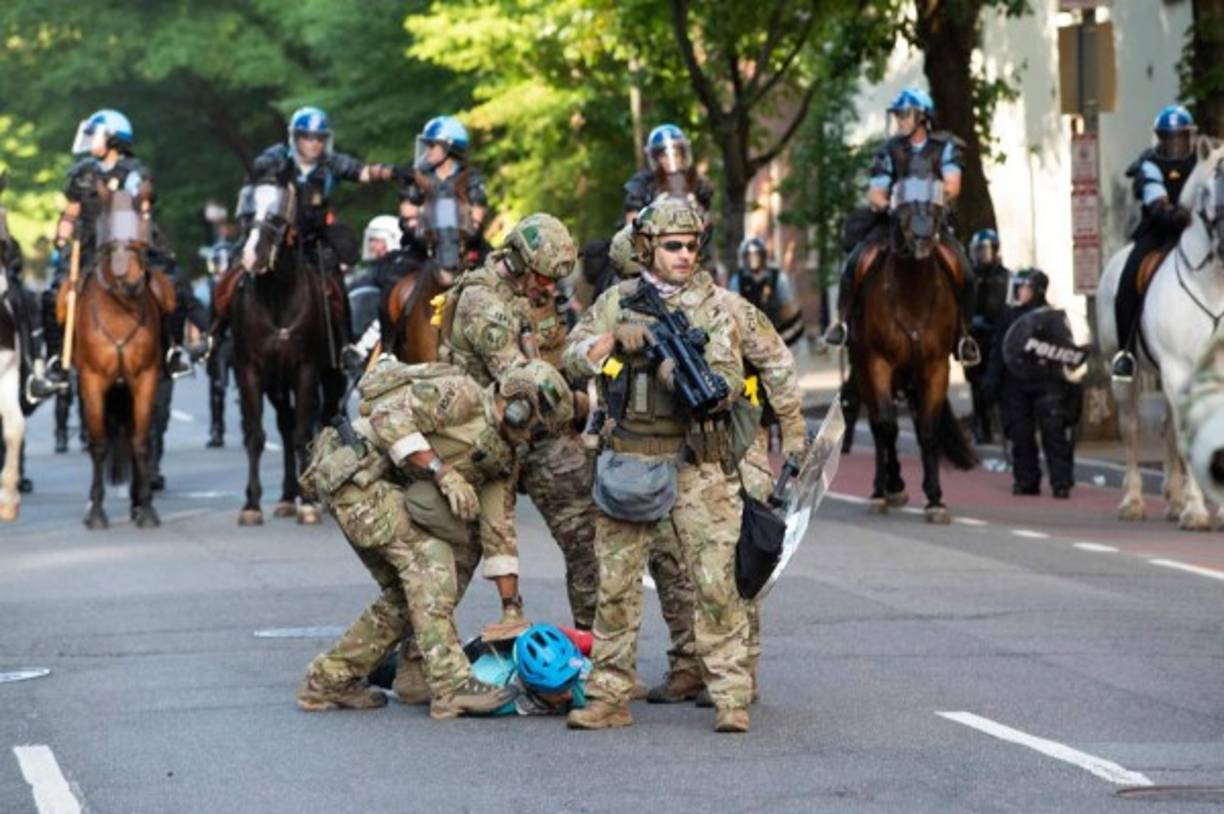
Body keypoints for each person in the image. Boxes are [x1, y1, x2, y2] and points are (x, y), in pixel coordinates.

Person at [563, 197, 753, 733]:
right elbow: (571, 357)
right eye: (673, 246)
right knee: (616, 588)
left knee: (716, 584)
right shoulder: (618, 300)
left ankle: (731, 695)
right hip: (630, 459)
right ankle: (608, 696)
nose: (685, 255)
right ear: (647, 248)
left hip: (696, 465)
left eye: (692, 246)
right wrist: (612, 342)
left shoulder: (715, 305)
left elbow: (728, 376)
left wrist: (688, 378)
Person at [296, 357, 573, 717]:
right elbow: (387, 416)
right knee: (430, 565)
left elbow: (497, 529)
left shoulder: (503, 455)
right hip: (355, 474)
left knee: (409, 590)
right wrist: (442, 471)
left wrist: (511, 609)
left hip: (376, 486)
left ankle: (330, 679)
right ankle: (451, 685)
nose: (531, 439)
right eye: (535, 429)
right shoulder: (463, 396)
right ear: (520, 407)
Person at [437, 213, 598, 637]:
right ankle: (418, 662)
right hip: (485, 437)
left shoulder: (519, 292)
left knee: (585, 534)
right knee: (457, 556)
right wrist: (586, 407)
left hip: (536, 432)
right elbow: (526, 384)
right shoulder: (483, 303)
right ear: (520, 262)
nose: (548, 289)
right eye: (543, 278)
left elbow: (549, 358)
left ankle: (597, 651)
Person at [823, 88, 978, 365]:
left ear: (922, 117)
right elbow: (876, 191)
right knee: (856, 261)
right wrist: (886, 203)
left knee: (965, 270)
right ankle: (844, 323)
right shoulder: (888, 150)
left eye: (905, 115)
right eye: (897, 115)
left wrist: (933, 202)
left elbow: (953, 186)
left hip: (933, 224)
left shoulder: (946, 147)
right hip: (894, 223)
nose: (900, 121)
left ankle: (964, 335)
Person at [247, 106, 396, 347]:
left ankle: (345, 346)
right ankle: (219, 336)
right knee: (239, 278)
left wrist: (392, 172)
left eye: (319, 138)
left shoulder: (332, 164)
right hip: (276, 239)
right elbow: (259, 167)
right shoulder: (277, 158)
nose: (314, 144)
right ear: (295, 138)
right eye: (307, 137)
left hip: (315, 241)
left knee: (336, 286)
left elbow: (363, 172)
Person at [1111, 105, 1199, 381]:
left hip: (1197, 233)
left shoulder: (1203, 162)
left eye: (1181, 137)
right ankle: (1125, 353)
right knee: (1128, 277)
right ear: (1159, 139)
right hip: (1159, 233)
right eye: (1169, 138)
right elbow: (1154, 197)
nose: (1175, 145)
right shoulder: (1149, 164)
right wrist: (1172, 213)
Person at [982, 269, 1080, 497]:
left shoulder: (1052, 318)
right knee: (1020, 435)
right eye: (1018, 288)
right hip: (1015, 384)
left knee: (1054, 433)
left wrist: (1069, 384)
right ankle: (1026, 481)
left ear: (1037, 290)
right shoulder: (1008, 317)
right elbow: (999, 350)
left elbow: (1066, 351)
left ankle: (1061, 482)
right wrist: (991, 381)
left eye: (1024, 288)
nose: (1019, 292)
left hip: (1047, 383)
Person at [398, 116, 488, 277]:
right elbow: (408, 219)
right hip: (420, 251)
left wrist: (452, 243)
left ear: (449, 148)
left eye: (432, 145)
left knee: (499, 274)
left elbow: (475, 222)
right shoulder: (414, 177)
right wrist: (429, 240)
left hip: (466, 248)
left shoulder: (472, 178)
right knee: (391, 278)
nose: (427, 151)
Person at [468, 623, 592, 716]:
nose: (569, 695)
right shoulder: (490, 683)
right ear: (533, 687)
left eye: (571, 680)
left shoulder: (582, 677)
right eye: (558, 691)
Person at [966, 228, 1012, 443]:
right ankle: (982, 427)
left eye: (984, 251)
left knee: (1003, 385)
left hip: (998, 337)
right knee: (977, 384)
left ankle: (1006, 428)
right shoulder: (970, 278)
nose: (981, 256)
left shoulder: (1005, 278)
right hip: (976, 337)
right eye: (977, 252)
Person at [622, 124, 714, 224]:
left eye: (676, 153)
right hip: (650, 236)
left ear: (683, 155)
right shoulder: (642, 184)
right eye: (663, 155)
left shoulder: (697, 183)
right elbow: (632, 224)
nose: (671, 159)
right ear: (655, 158)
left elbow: (706, 221)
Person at [727, 237, 805, 346]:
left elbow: (788, 310)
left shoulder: (778, 279)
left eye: (757, 255)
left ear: (763, 256)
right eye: (749, 255)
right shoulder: (737, 280)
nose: (753, 259)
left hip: (775, 335)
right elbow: (732, 311)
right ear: (745, 257)